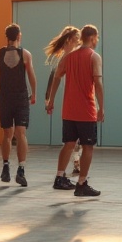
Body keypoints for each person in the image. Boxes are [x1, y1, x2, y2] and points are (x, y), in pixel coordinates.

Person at [45, 24, 104, 197]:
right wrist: (101, 107)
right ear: (93, 38)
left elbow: (56, 78)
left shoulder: (68, 57)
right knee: (88, 147)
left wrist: (51, 100)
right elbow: (98, 84)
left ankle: (59, 177)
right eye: (97, 38)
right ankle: (82, 183)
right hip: (86, 110)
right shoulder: (94, 56)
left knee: (69, 144)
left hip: (69, 110)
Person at [0, 22, 37, 187]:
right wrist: (34, 94)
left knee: (7, 134)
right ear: (18, 36)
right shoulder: (26, 54)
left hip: (4, 97)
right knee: (21, 133)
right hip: (20, 97)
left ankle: (6, 166)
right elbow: (31, 76)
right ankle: (21, 169)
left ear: (6, 37)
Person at [43, 25, 81, 180]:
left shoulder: (80, 55)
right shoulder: (67, 59)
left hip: (81, 101)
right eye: (76, 40)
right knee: (73, 141)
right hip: (74, 103)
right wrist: (49, 100)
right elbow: (55, 79)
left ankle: (76, 164)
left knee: (76, 141)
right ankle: (69, 169)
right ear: (71, 41)